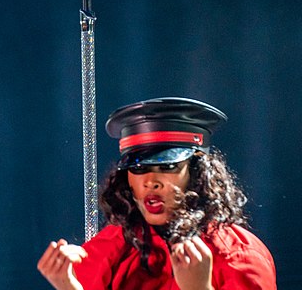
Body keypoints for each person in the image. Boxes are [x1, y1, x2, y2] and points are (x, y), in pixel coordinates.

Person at [37, 97, 277, 289]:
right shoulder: (111, 247)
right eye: (139, 168)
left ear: (197, 174)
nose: (151, 181)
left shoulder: (239, 254)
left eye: (167, 166)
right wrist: (67, 284)